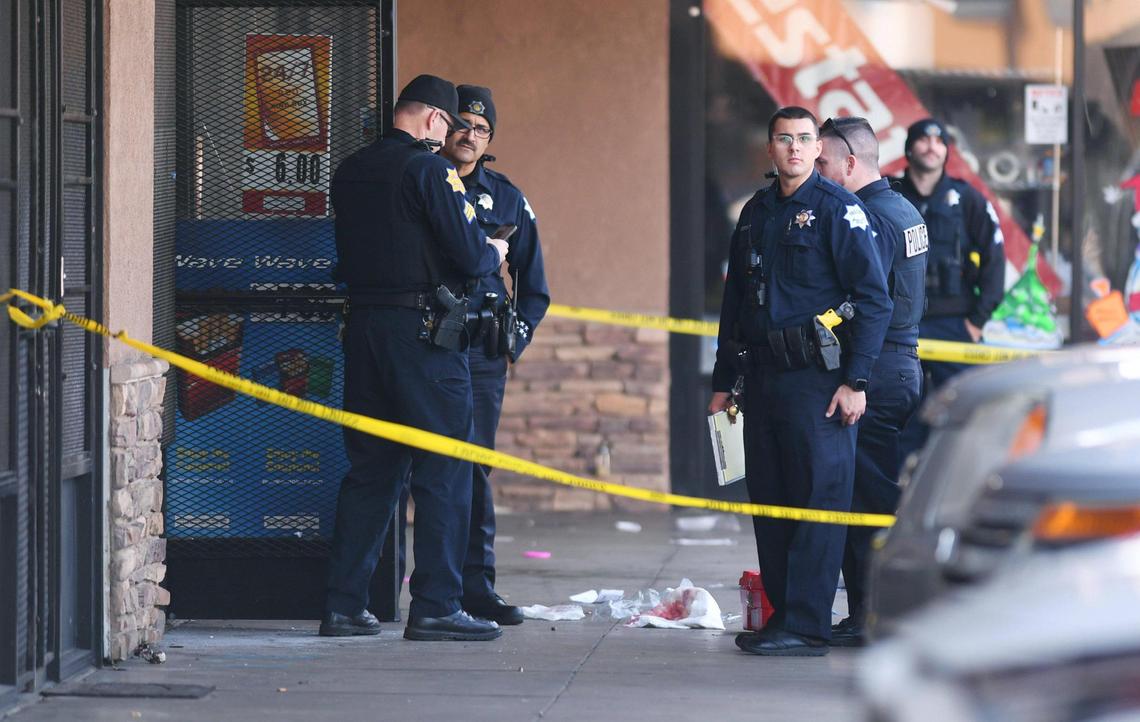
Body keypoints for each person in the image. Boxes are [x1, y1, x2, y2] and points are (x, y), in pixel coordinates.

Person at [322, 74, 510, 642]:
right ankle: (437, 604)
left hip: (365, 332)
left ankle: (344, 605)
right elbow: (469, 254)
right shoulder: (430, 169)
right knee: (444, 468)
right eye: (450, 125)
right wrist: (493, 248)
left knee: (371, 471)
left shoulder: (349, 169)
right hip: (424, 338)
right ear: (433, 120)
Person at [709, 106, 892, 656]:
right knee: (772, 499)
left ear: (819, 150)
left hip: (821, 381)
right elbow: (734, 304)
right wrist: (724, 380)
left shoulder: (841, 211)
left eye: (804, 139)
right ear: (770, 149)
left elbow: (874, 299)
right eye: (783, 139)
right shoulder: (755, 213)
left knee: (817, 500)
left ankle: (807, 626)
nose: (793, 148)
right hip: (763, 379)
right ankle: (784, 618)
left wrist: (856, 380)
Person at [439, 84, 549, 625]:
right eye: (461, 125)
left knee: (474, 468)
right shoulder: (425, 183)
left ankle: (475, 589)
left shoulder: (506, 197)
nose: (470, 136)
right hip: (426, 346)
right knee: (418, 465)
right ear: (442, 127)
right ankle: (403, 589)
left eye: (481, 130)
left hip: (481, 352)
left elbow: (534, 285)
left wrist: (513, 340)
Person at [815, 117, 927, 647]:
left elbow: (867, 301)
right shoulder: (903, 208)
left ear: (851, 163)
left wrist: (819, 321)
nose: (818, 171)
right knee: (877, 494)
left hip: (877, 371)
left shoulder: (872, 217)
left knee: (864, 504)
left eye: (824, 163)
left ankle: (870, 617)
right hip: (899, 365)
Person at [896, 118, 1005, 456]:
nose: (932, 146)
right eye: (923, 140)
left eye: (939, 141)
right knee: (899, 413)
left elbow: (995, 259)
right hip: (901, 324)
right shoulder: (889, 196)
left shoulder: (967, 198)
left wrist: (976, 321)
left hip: (955, 325)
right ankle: (898, 497)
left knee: (964, 414)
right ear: (909, 148)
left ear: (947, 151)